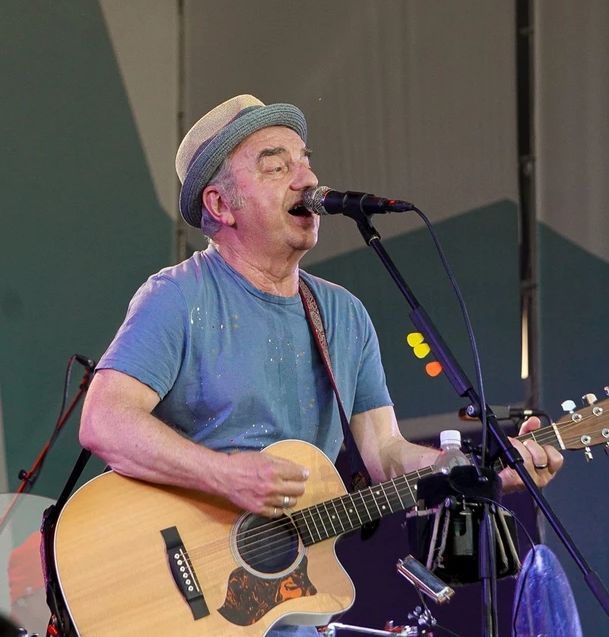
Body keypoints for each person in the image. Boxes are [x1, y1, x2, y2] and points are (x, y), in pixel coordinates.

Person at [79, 94, 563, 636]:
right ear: (220, 204)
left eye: (304, 159)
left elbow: (385, 456)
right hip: (176, 608)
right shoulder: (177, 297)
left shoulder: (343, 315)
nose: (307, 178)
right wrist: (225, 476)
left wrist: (483, 472)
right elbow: (104, 421)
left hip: (287, 614)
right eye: (276, 166)